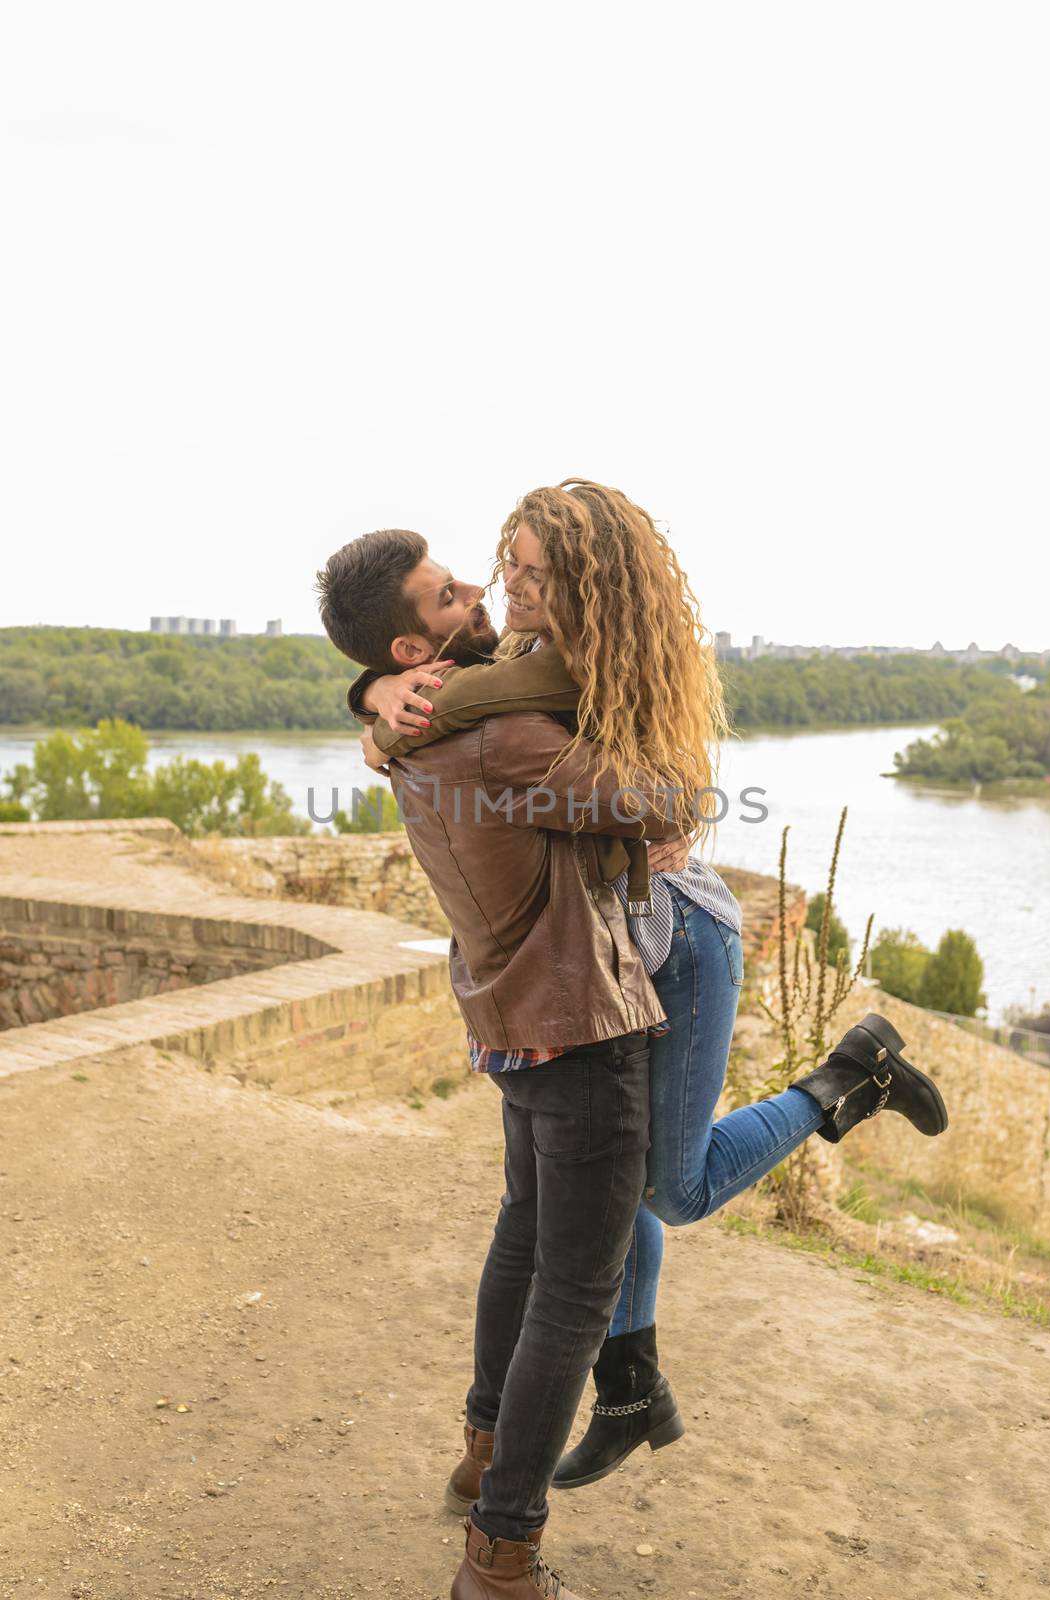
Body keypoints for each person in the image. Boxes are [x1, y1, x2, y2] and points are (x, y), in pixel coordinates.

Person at [352, 480, 950, 1509]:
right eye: (505, 566)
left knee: (666, 1189)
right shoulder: (508, 672)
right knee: (601, 1193)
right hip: (605, 956)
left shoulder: (573, 676)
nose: (507, 585)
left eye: (529, 571)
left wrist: (395, 719)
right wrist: (370, 700)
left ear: (581, 580)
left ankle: (851, 1073)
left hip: (681, 940)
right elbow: (428, 695)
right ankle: (630, 1387)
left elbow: (652, 787)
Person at [317, 527, 690, 1600]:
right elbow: (662, 803)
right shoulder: (505, 733)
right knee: (576, 1294)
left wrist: (366, 704)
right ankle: (502, 1548)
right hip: (580, 1023)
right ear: (410, 641)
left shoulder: (427, 721)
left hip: (511, 1020)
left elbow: (431, 704)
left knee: (524, 1242)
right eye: (448, 593)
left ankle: (483, 1449)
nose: (477, 590)